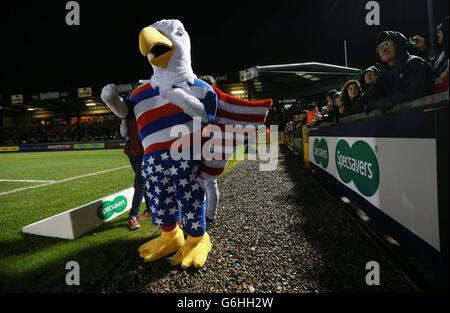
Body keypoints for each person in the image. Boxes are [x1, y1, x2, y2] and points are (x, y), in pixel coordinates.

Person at [365, 31, 434, 113]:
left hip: (425, 117)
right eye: (380, 47)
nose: (384, 49)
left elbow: (411, 94)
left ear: (398, 45)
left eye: (388, 44)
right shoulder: (384, 73)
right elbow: (370, 98)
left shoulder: (415, 63)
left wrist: (378, 104)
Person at [120, 117, 151, 230]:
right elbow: (123, 134)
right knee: (143, 182)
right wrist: (123, 119)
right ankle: (150, 209)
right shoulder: (128, 113)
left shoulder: (145, 109)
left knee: (140, 183)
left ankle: (133, 215)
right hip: (132, 151)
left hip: (145, 150)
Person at [412, 16, 449, 93]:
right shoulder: (443, 55)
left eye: (439, 31)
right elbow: (428, 68)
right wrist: (423, 49)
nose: (438, 35)